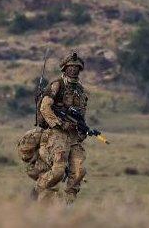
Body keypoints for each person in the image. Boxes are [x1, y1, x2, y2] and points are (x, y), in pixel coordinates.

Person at [35, 51, 89, 203]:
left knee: (79, 172)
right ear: (65, 68)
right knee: (58, 171)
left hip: (74, 136)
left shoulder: (80, 90)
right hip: (57, 133)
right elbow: (45, 107)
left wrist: (82, 129)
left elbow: (81, 113)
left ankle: (69, 204)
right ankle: (39, 189)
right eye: (70, 66)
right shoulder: (57, 84)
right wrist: (59, 123)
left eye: (76, 67)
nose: (73, 69)